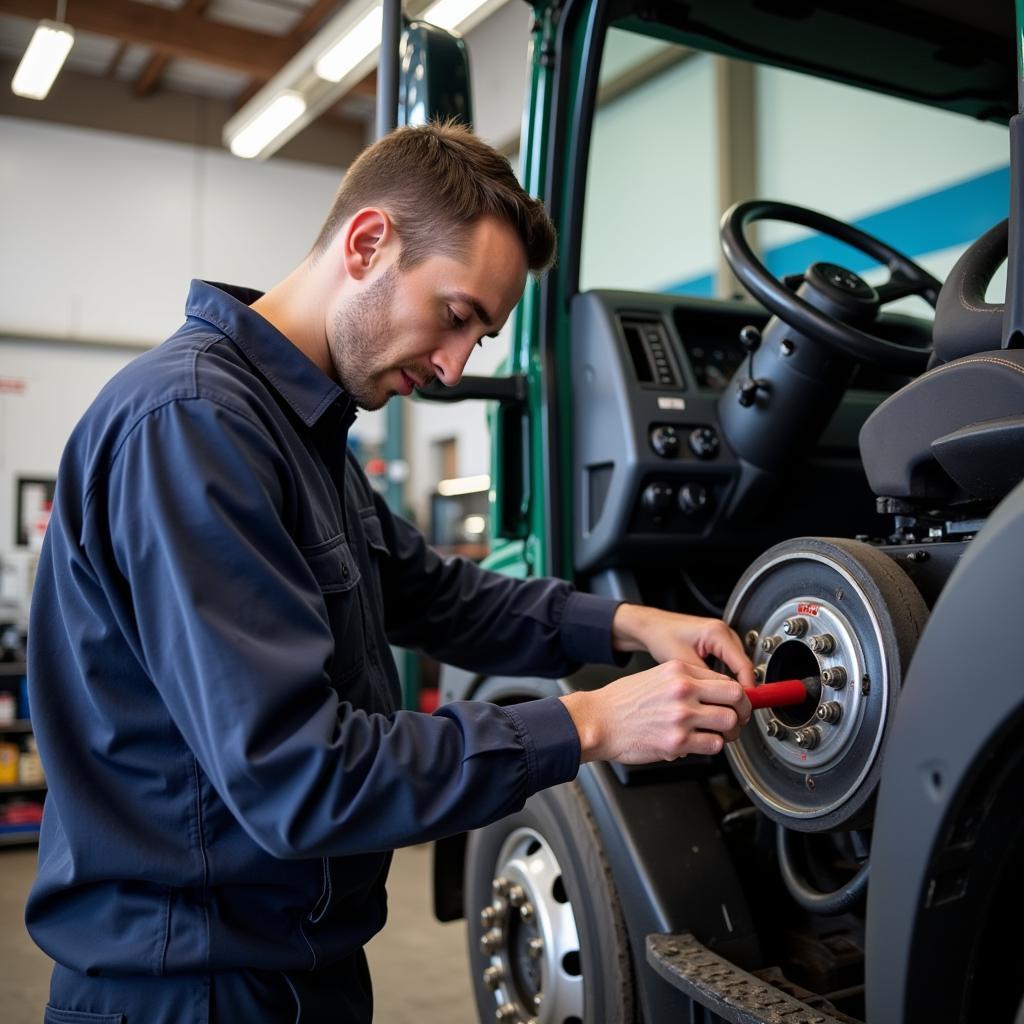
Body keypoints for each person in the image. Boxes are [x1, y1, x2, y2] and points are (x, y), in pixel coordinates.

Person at [26, 121, 753, 1023]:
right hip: (192, 990)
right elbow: (302, 776)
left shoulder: (304, 437)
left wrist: (628, 625)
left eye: (477, 341)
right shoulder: (194, 426)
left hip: (293, 969)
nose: (451, 368)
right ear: (369, 243)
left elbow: (433, 592)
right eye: (456, 318)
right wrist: (589, 722)